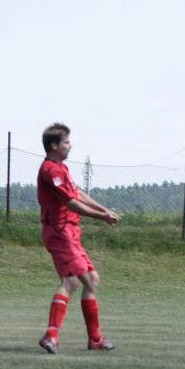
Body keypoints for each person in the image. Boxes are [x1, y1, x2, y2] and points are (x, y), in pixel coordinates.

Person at [37, 123, 121, 354]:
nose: (70, 146)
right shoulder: (51, 171)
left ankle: (94, 339)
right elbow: (70, 202)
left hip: (71, 232)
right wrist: (101, 216)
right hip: (59, 231)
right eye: (66, 142)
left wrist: (104, 210)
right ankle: (51, 336)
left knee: (91, 280)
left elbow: (77, 194)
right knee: (71, 281)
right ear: (54, 145)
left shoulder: (61, 168)